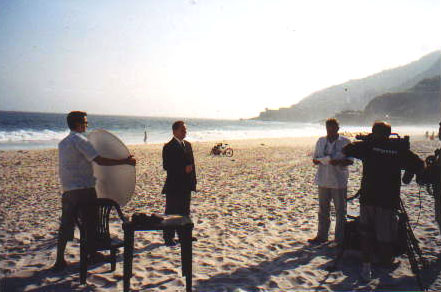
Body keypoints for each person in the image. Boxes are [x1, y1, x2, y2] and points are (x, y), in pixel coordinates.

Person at [53, 111, 136, 271]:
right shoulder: (81, 140)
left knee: (66, 225)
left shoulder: (63, 143)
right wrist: (125, 161)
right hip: (84, 189)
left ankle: (59, 259)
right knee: (90, 223)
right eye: (85, 122)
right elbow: (99, 160)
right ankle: (92, 254)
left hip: (68, 189)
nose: (87, 124)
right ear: (78, 124)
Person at [343, 121, 424, 281]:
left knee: (366, 233)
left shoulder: (368, 146)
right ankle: (385, 262)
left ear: (374, 132)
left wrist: (367, 141)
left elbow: (346, 150)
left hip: (368, 197)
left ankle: (366, 266)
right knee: (385, 235)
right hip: (388, 199)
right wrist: (407, 174)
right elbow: (418, 164)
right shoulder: (398, 149)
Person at [308, 118, 353, 246]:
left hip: (339, 180)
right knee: (323, 210)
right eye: (328, 128)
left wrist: (337, 162)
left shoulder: (345, 142)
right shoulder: (321, 141)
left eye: (333, 128)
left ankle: (339, 239)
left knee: (340, 211)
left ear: (338, 128)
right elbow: (315, 158)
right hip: (323, 179)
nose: (330, 130)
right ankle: (322, 236)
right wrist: (319, 160)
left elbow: (350, 160)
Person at [162, 121, 197, 246]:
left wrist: (193, 182)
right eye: (182, 130)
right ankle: (168, 237)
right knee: (172, 212)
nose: (185, 132)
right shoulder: (168, 146)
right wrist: (183, 169)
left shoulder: (187, 145)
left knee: (185, 212)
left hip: (186, 184)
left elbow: (192, 165)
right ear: (175, 131)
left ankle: (184, 236)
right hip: (174, 184)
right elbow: (167, 166)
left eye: (185, 130)